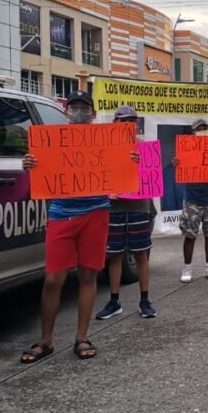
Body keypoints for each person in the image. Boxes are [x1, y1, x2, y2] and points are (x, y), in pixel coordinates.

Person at [20, 90, 140, 364]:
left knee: (88, 276)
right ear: (66, 111)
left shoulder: (108, 141)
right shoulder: (50, 140)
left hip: (96, 213)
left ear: (93, 113)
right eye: (73, 106)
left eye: (84, 107)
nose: (78, 111)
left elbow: (123, 172)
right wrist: (29, 164)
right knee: (53, 279)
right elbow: (40, 171)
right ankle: (46, 340)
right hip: (61, 213)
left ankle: (81, 336)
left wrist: (131, 162)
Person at [96, 105, 156, 321]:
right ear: (115, 122)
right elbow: (98, 174)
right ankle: (114, 301)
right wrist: (106, 192)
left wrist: (142, 165)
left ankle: (145, 300)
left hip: (138, 205)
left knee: (141, 253)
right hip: (113, 206)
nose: (127, 124)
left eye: (131, 121)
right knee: (114, 255)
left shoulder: (143, 147)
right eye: (123, 120)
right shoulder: (104, 147)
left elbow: (152, 177)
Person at [172, 119, 208, 282]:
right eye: (198, 129)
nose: (202, 131)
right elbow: (178, 167)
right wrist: (176, 163)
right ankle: (187, 268)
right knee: (190, 235)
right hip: (193, 199)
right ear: (193, 133)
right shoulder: (186, 150)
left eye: (204, 129)